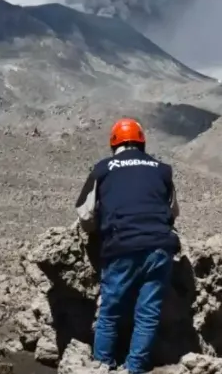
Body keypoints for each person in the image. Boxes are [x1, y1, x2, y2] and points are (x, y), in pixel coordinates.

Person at [74, 117, 181, 374]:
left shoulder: (103, 168)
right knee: (147, 314)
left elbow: (85, 214)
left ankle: (102, 365)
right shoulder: (161, 169)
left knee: (110, 312)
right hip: (159, 247)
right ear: (142, 142)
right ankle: (134, 369)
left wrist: (97, 231)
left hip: (121, 245)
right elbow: (173, 211)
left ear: (113, 143)